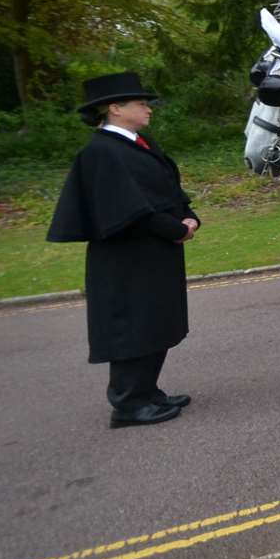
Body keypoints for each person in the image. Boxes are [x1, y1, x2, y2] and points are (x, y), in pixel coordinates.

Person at [48, 71, 199, 428]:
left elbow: (166, 189)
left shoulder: (137, 144)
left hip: (154, 252)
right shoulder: (100, 152)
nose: (149, 109)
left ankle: (148, 392)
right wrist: (177, 229)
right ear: (115, 108)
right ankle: (128, 404)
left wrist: (189, 216)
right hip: (126, 259)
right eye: (141, 103)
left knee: (155, 321)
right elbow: (128, 209)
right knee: (132, 325)